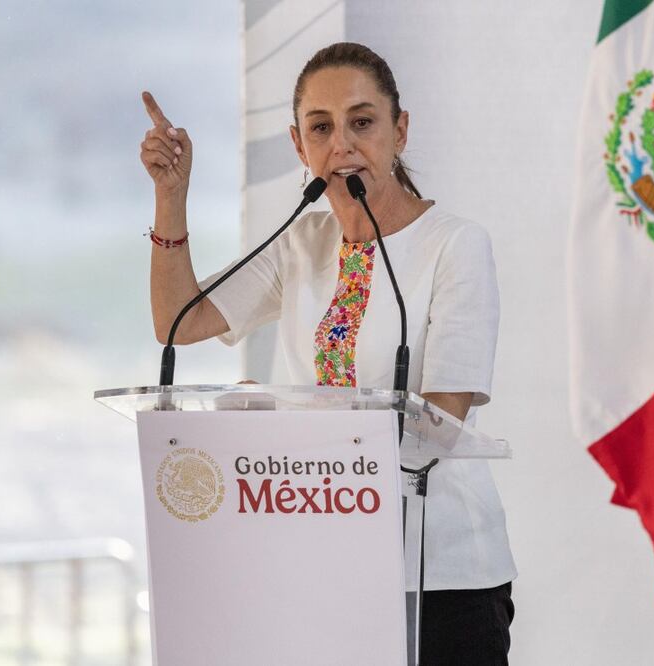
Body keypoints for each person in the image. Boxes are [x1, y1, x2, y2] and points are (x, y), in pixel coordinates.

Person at [140, 41, 516, 665]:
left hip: (441, 579)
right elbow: (179, 321)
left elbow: (442, 419)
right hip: (320, 562)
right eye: (321, 128)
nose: (341, 144)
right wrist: (170, 196)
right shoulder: (301, 241)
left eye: (362, 122)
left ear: (400, 131)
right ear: (299, 147)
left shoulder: (455, 246)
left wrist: (289, 447)